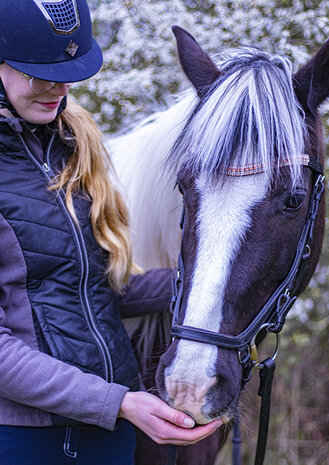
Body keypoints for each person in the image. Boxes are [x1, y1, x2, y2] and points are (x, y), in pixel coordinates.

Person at [0, 1, 221, 464]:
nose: (60, 88)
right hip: (23, 441)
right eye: (40, 73)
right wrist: (118, 401)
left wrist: (206, 283)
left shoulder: (70, 152)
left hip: (111, 436)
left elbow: (94, 293)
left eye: (69, 71)